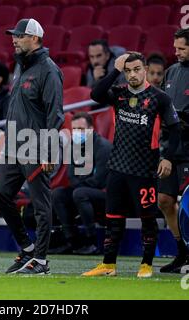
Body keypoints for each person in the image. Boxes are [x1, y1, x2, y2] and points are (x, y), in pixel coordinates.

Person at [82, 52, 180, 278]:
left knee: (147, 217)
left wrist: (168, 158)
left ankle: (146, 264)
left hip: (144, 169)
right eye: (128, 71)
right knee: (113, 216)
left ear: (145, 69)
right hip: (117, 166)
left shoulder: (159, 98)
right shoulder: (119, 94)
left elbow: (175, 129)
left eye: (136, 69)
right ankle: (108, 264)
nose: (133, 74)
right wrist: (115, 70)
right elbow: (95, 94)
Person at [0, 18, 64, 275]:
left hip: (35, 147)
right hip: (13, 145)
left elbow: (55, 114)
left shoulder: (48, 70)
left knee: (41, 205)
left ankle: (41, 261)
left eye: (20, 36)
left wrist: (48, 150)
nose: (14, 39)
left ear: (35, 38)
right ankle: (28, 247)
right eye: (14, 35)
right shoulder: (20, 66)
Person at [51, 112, 112, 255]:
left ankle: (92, 241)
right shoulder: (73, 146)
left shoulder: (103, 147)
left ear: (91, 128)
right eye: (75, 129)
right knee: (57, 194)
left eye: (81, 129)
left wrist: (79, 186)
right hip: (82, 192)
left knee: (79, 193)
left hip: (105, 195)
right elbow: (71, 176)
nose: (78, 133)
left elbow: (100, 180)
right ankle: (72, 240)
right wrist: (79, 186)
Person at [158, 28, 189, 273]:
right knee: (165, 201)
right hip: (171, 151)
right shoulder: (171, 72)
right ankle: (182, 252)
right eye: (176, 47)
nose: (176, 51)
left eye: (182, 48)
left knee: (188, 205)